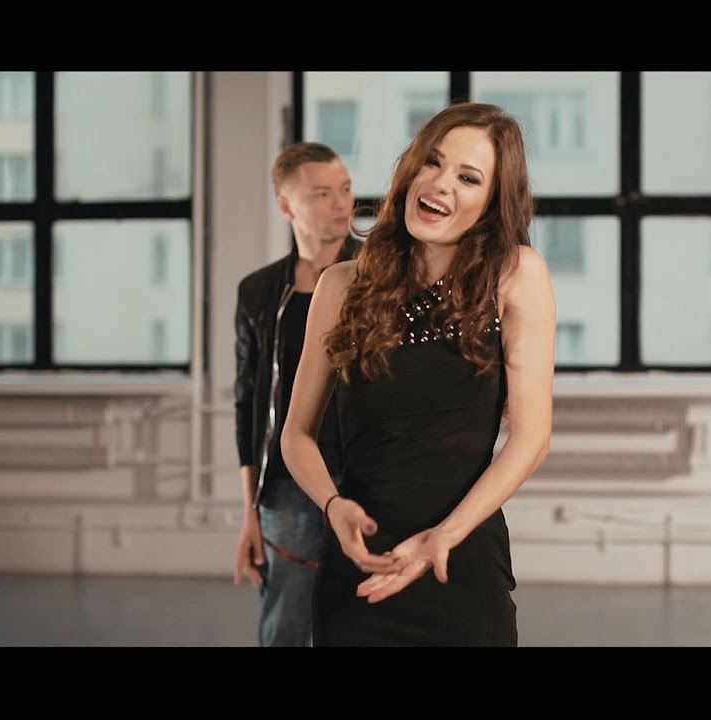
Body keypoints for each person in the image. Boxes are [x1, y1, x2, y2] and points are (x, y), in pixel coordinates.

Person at [280, 102, 556, 646]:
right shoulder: (340, 286)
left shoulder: (516, 277)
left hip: (459, 564)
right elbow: (296, 434)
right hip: (358, 572)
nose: (441, 183)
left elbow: (532, 436)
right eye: (433, 161)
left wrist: (443, 537)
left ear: (492, 202)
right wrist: (332, 507)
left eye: (468, 177)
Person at [232, 141, 360, 647]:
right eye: (322, 193)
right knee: (285, 627)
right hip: (288, 488)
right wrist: (249, 512)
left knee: (366, 624)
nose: (341, 203)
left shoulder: (381, 278)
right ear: (286, 206)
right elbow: (248, 405)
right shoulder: (259, 292)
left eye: (345, 189)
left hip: (368, 479)